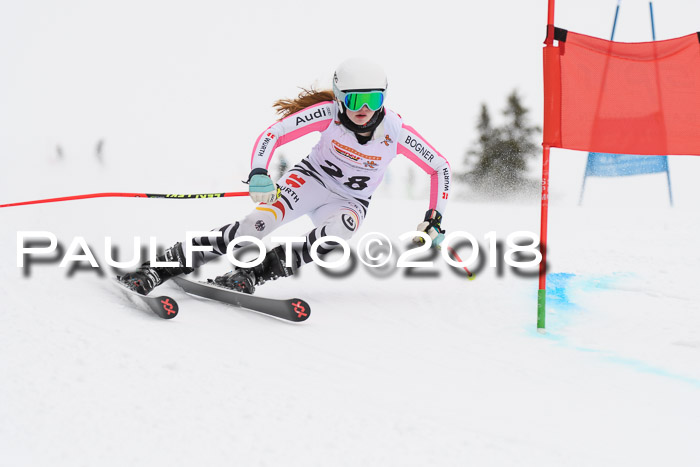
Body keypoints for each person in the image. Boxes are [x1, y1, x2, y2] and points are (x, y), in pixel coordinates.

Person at [119, 57, 451, 295]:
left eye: (373, 98)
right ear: (339, 97)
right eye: (354, 99)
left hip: (350, 201)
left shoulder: (397, 132)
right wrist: (260, 173)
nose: (364, 108)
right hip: (308, 182)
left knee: (334, 238)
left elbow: (440, 167)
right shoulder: (328, 114)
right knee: (254, 226)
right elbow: (274, 133)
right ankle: (160, 267)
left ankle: (252, 273)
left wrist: (433, 217)